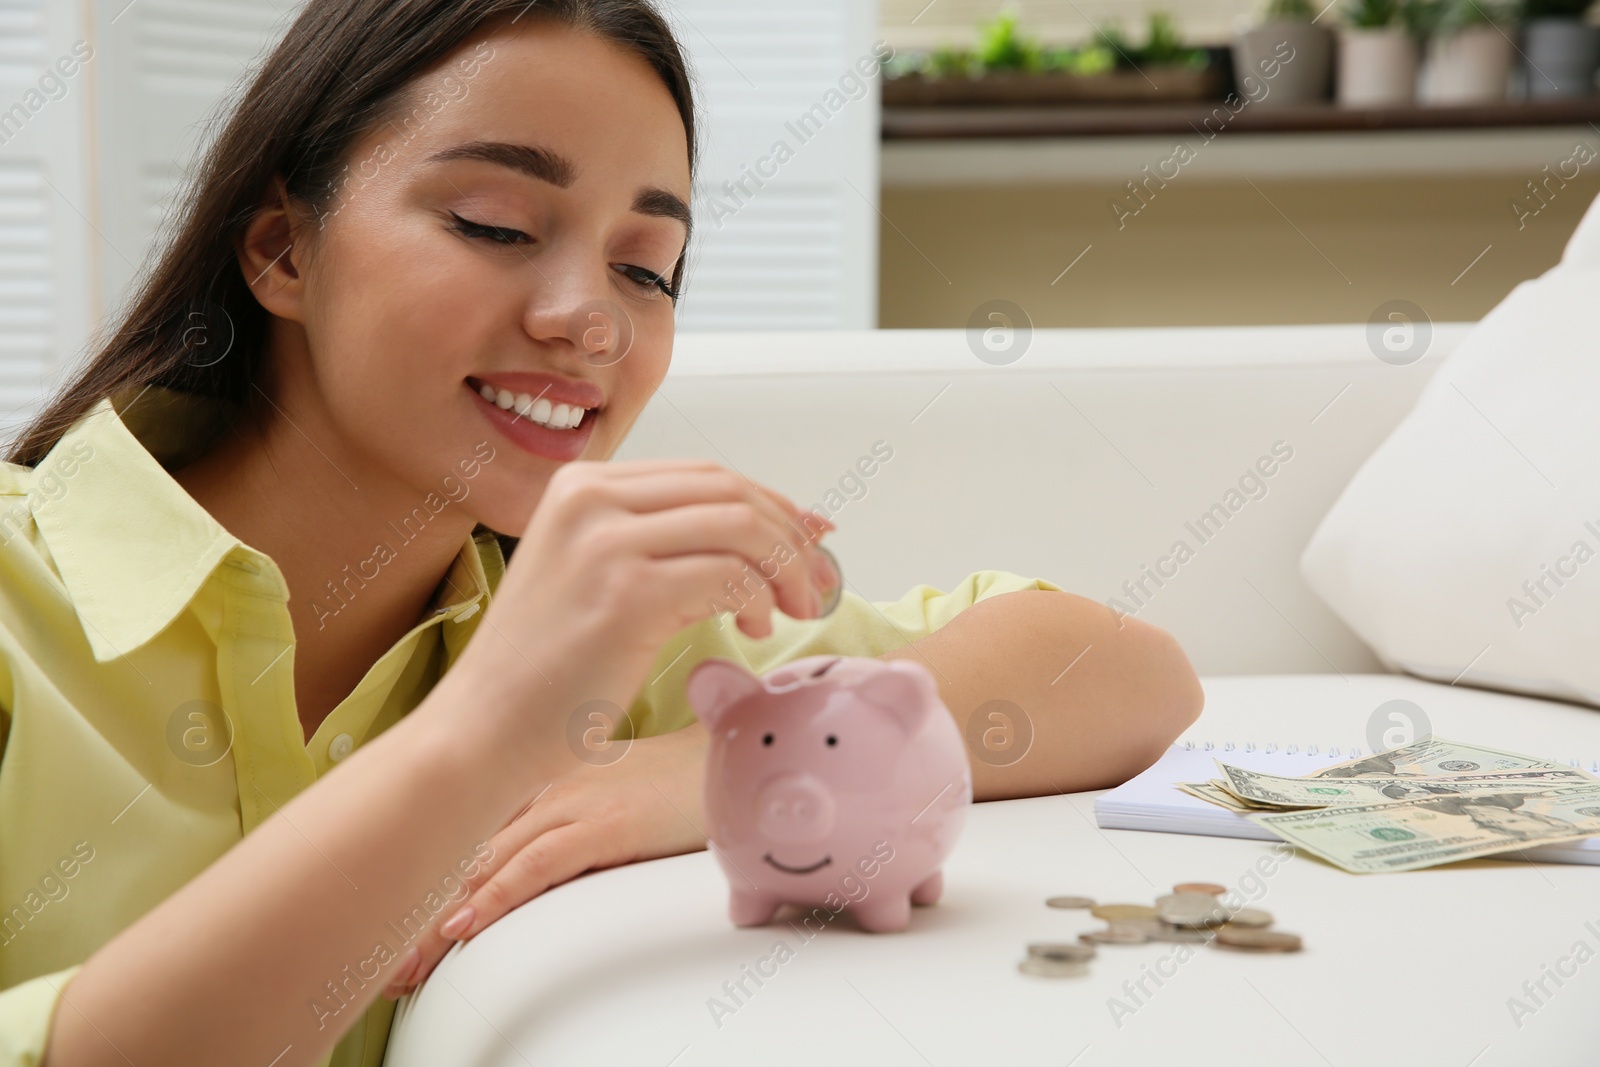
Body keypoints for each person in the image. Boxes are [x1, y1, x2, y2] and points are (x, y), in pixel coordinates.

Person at [0, 2, 1203, 1064]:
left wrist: (697, 771)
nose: (588, 322)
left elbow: (1121, 671)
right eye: (494, 223)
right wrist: (493, 731)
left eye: (647, 266)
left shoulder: (600, 639)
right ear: (283, 249)